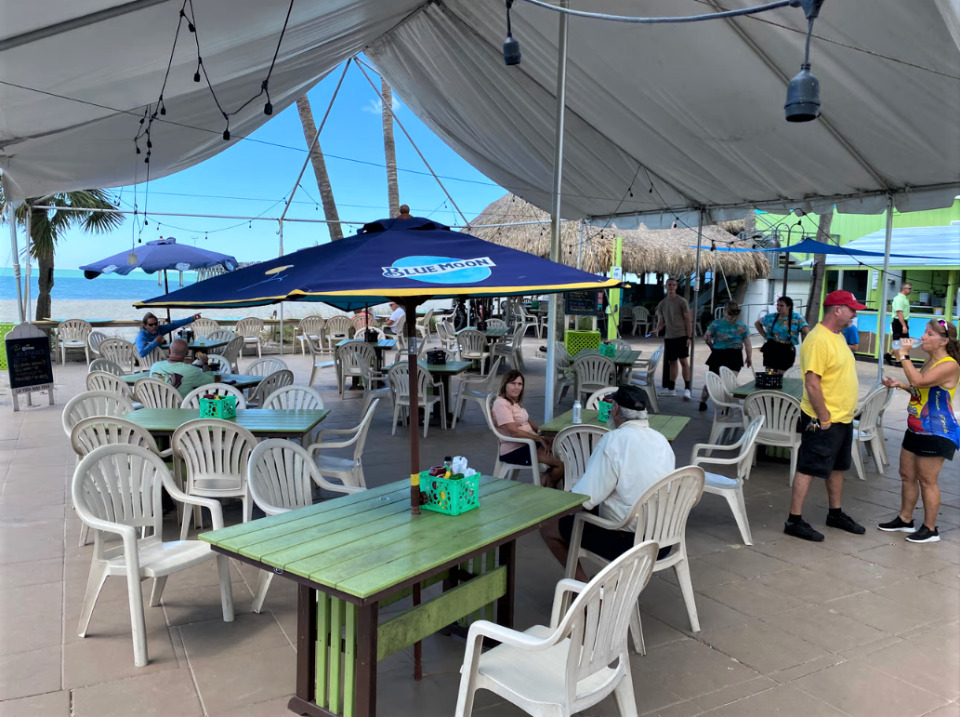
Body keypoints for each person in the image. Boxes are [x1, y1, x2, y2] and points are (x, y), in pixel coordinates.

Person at [539, 385, 676, 581]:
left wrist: (552, 505)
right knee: (591, 511)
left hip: (630, 542)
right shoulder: (661, 440)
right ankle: (600, 586)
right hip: (664, 537)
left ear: (616, 410)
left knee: (549, 526)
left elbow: (584, 499)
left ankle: (584, 593)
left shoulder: (613, 440)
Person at [785, 290, 867, 542]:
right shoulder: (818, 339)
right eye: (851, 309)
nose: (855, 313)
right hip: (824, 418)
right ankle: (794, 520)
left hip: (842, 417)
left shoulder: (838, 336)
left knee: (838, 467)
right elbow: (812, 384)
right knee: (809, 467)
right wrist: (824, 417)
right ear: (837, 310)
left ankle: (835, 513)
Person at [878, 319, 960, 543]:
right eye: (924, 332)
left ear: (943, 341)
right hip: (916, 427)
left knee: (927, 480)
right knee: (907, 476)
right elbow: (918, 388)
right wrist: (900, 385)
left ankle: (930, 528)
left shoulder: (949, 364)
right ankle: (905, 520)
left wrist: (903, 354)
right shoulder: (930, 361)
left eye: (930, 333)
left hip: (936, 431)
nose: (923, 336)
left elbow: (919, 380)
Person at [492, 370, 564, 488]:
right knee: (561, 463)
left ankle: (542, 488)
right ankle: (544, 491)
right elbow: (513, 431)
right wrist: (539, 439)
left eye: (520, 384)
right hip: (515, 449)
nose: (517, 387)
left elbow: (526, 420)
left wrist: (542, 433)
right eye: (513, 383)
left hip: (528, 444)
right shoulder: (501, 404)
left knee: (564, 455)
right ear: (504, 385)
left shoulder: (513, 402)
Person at [700, 300, 752, 411]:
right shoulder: (742, 326)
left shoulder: (716, 323)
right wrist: (749, 357)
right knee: (730, 382)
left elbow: (706, 337)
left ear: (725, 310)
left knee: (712, 381)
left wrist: (711, 346)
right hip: (735, 355)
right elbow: (747, 343)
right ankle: (726, 407)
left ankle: (702, 402)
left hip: (718, 354)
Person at [653, 278, 693, 400]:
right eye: (669, 285)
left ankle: (687, 389)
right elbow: (661, 322)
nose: (671, 287)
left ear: (676, 287)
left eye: (673, 285)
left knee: (684, 362)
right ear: (665, 286)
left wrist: (689, 336)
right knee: (672, 363)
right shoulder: (662, 303)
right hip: (669, 337)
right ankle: (671, 389)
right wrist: (657, 329)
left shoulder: (682, 301)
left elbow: (688, 320)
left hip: (681, 335)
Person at [755, 296, 809, 374]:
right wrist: (765, 336)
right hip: (771, 348)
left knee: (783, 375)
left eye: (781, 305)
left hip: (786, 349)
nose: (779, 307)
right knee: (770, 374)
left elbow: (806, 332)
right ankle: (769, 384)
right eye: (778, 305)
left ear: (789, 306)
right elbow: (757, 323)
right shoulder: (771, 316)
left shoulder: (797, 317)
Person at [150, 338, 216, 399]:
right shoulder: (191, 370)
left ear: (169, 351)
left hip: (156, 409)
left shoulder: (155, 366)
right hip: (182, 409)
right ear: (187, 353)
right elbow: (212, 381)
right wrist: (205, 363)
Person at [135, 311, 201, 358]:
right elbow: (141, 354)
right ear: (145, 326)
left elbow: (174, 325)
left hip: (160, 360)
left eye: (156, 324)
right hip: (149, 364)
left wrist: (192, 318)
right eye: (151, 325)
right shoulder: (141, 336)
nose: (154, 326)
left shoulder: (159, 329)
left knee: (186, 361)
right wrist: (155, 342)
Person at [886, 282, 913, 367]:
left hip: (903, 321)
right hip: (898, 321)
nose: (910, 290)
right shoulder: (899, 299)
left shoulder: (905, 298)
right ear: (904, 289)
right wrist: (903, 325)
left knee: (906, 342)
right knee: (898, 342)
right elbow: (899, 313)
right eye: (909, 288)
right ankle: (898, 361)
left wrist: (905, 324)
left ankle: (889, 354)